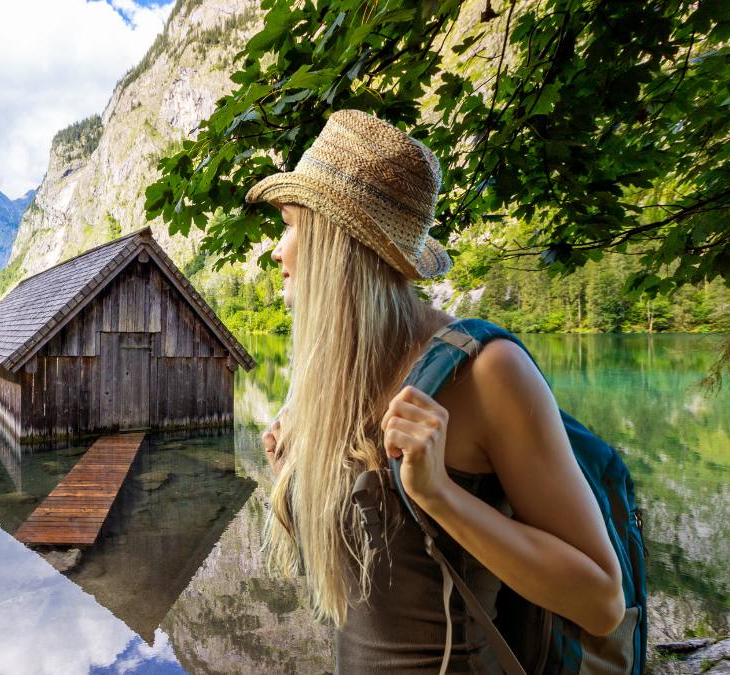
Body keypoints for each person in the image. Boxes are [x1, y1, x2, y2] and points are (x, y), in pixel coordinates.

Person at [248, 109, 626, 673]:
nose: (278, 251)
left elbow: (601, 602)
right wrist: (292, 479)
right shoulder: (334, 376)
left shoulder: (485, 371)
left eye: (290, 225)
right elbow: (372, 584)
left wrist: (439, 494)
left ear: (335, 241)